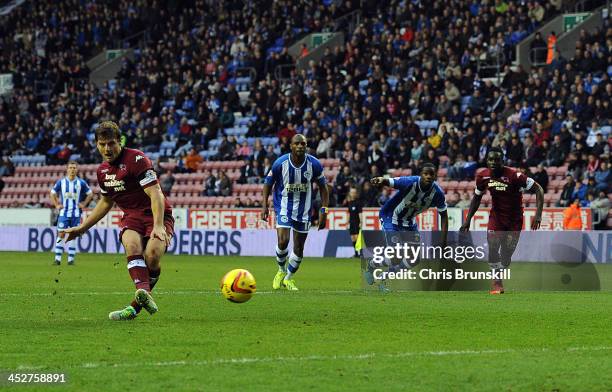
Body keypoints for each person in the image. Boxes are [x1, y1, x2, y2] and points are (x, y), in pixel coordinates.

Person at [60, 121, 174, 321]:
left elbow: (156, 193)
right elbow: (105, 202)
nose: (107, 148)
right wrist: (82, 228)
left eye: (111, 143)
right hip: (132, 217)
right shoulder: (102, 171)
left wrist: (158, 225)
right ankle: (143, 292)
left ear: (119, 142)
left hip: (157, 214)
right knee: (131, 244)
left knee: (153, 255)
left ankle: (135, 306)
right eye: (102, 144)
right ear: (96, 144)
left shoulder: (137, 159)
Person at [460, 147, 544, 294]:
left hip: (514, 220)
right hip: (496, 218)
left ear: (502, 161)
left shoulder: (515, 176)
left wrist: (538, 215)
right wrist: (468, 220)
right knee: (492, 248)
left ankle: (500, 271)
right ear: (487, 160)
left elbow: (539, 189)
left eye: (497, 159)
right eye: (490, 159)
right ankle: (497, 282)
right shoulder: (482, 176)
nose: (493, 162)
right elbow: (477, 198)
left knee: (505, 257)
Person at [261, 134, 329, 291]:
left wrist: (324, 210)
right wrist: (264, 205)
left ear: (306, 146)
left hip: (304, 211)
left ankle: (288, 279)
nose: (300, 146)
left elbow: (324, 188)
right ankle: (280, 270)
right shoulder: (280, 163)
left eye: (303, 144)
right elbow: (267, 183)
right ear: (291, 146)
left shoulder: (314, 164)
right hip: (284, 206)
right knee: (283, 241)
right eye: (297, 143)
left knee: (299, 248)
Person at [364, 164, 449, 288]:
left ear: (435, 176)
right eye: (426, 173)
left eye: (431, 174)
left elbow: (444, 216)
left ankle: (384, 278)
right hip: (391, 217)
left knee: (414, 259)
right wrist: (381, 180)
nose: (428, 176)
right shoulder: (410, 182)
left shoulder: (438, 194)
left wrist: (443, 240)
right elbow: (391, 181)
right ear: (421, 174)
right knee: (396, 257)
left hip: (409, 223)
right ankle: (371, 266)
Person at [49, 161, 93, 265]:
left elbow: (90, 194)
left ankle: (70, 260)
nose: (72, 169)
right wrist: (56, 205)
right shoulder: (61, 182)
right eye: (70, 168)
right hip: (64, 213)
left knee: (73, 235)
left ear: (77, 170)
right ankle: (57, 259)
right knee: (61, 234)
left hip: (76, 214)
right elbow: (52, 193)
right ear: (67, 169)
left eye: (74, 168)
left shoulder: (81, 182)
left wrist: (83, 204)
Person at [344, 187, 363, 258]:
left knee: (357, 238)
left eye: (354, 192)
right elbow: (348, 213)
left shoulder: (358, 203)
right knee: (352, 238)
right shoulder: (350, 203)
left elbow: (360, 213)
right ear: (350, 193)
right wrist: (347, 222)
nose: (353, 194)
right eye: (352, 192)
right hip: (351, 223)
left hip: (356, 222)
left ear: (356, 193)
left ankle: (361, 253)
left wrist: (361, 222)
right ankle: (356, 254)